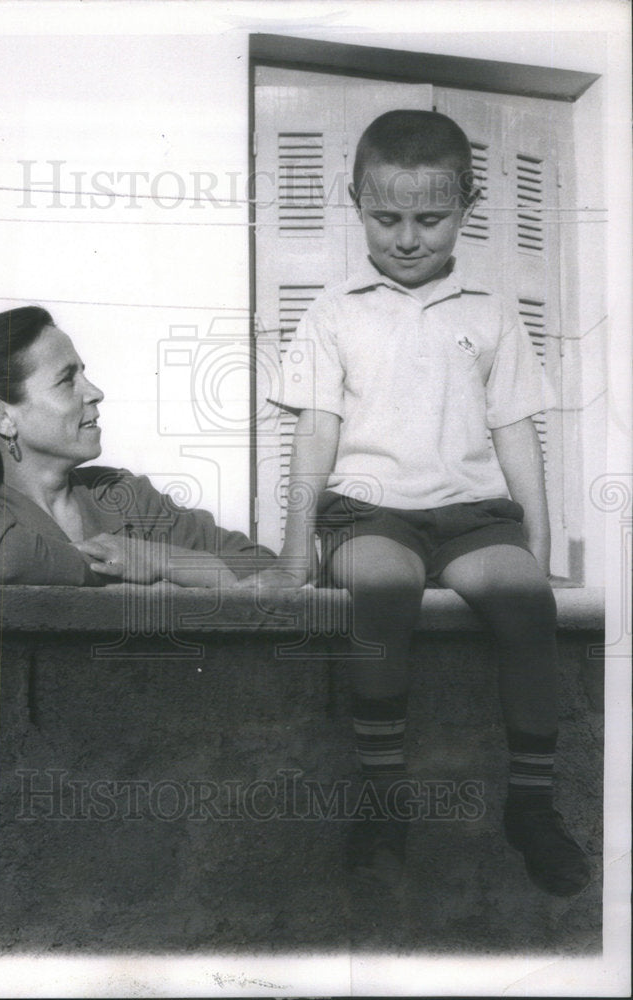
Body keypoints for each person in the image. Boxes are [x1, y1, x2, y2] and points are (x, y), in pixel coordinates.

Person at [242, 110, 590, 896]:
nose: (405, 238)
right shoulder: (334, 311)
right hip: (369, 513)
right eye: (385, 218)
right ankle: (383, 795)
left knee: (526, 603)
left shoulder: (491, 311)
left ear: (466, 206)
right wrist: (295, 555)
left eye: (429, 220)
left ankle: (531, 804)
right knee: (383, 586)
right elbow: (315, 433)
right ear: (356, 204)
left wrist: (537, 549)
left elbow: (515, 432)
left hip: (471, 515)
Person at [0, 306, 276, 587]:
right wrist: (158, 572)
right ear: (3, 416)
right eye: (66, 381)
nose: (95, 392)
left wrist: (159, 560)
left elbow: (264, 566)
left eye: (83, 374)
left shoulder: (123, 496)